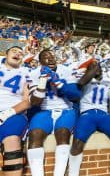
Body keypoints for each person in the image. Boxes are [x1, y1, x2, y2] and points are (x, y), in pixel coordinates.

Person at [28, 49, 81, 176]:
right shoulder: (34, 73)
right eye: (46, 57)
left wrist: (57, 82)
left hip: (66, 109)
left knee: (63, 133)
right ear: (40, 62)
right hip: (45, 110)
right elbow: (35, 102)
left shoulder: (66, 70)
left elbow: (75, 96)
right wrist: (42, 80)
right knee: (35, 134)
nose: (51, 59)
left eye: (52, 56)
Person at [69, 62, 110, 176]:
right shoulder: (84, 80)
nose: (96, 69)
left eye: (98, 67)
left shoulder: (107, 81)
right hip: (87, 113)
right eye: (93, 67)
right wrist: (90, 72)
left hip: (103, 114)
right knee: (77, 141)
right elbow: (80, 83)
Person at [0, 46, 32, 176]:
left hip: (13, 113)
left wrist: (7, 113)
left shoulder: (26, 73)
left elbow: (28, 101)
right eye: (14, 51)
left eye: (20, 53)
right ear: (5, 54)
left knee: (12, 140)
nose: (17, 54)